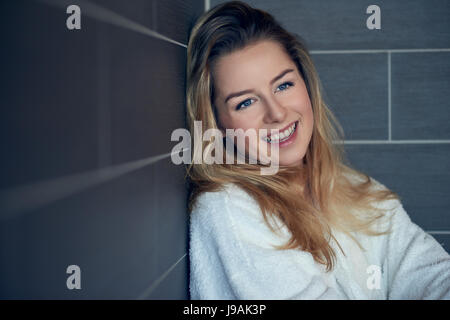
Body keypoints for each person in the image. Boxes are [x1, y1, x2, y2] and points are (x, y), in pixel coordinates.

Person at [185, 1, 450, 300]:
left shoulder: (356, 190)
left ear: (306, 84)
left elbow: (430, 272)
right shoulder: (229, 210)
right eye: (245, 102)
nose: (277, 113)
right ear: (217, 123)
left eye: (283, 85)